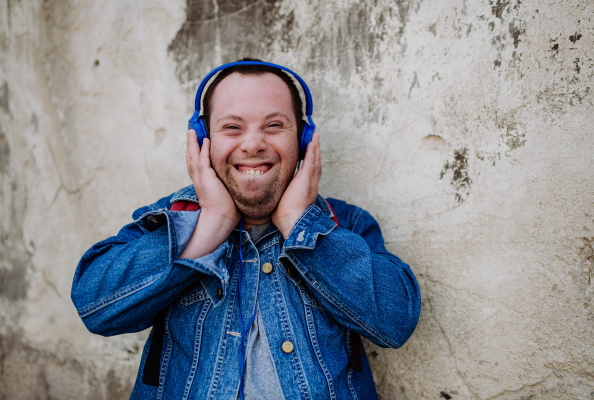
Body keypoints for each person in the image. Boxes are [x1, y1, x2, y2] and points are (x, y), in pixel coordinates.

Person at [71, 59, 420, 400]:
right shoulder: (172, 218)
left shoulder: (344, 223)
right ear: (202, 140)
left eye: (274, 126)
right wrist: (211, 225)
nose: (253, 145)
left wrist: (299, 222)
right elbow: (94, 306)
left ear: (303, 139)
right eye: (232, 127)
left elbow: (396, 321)